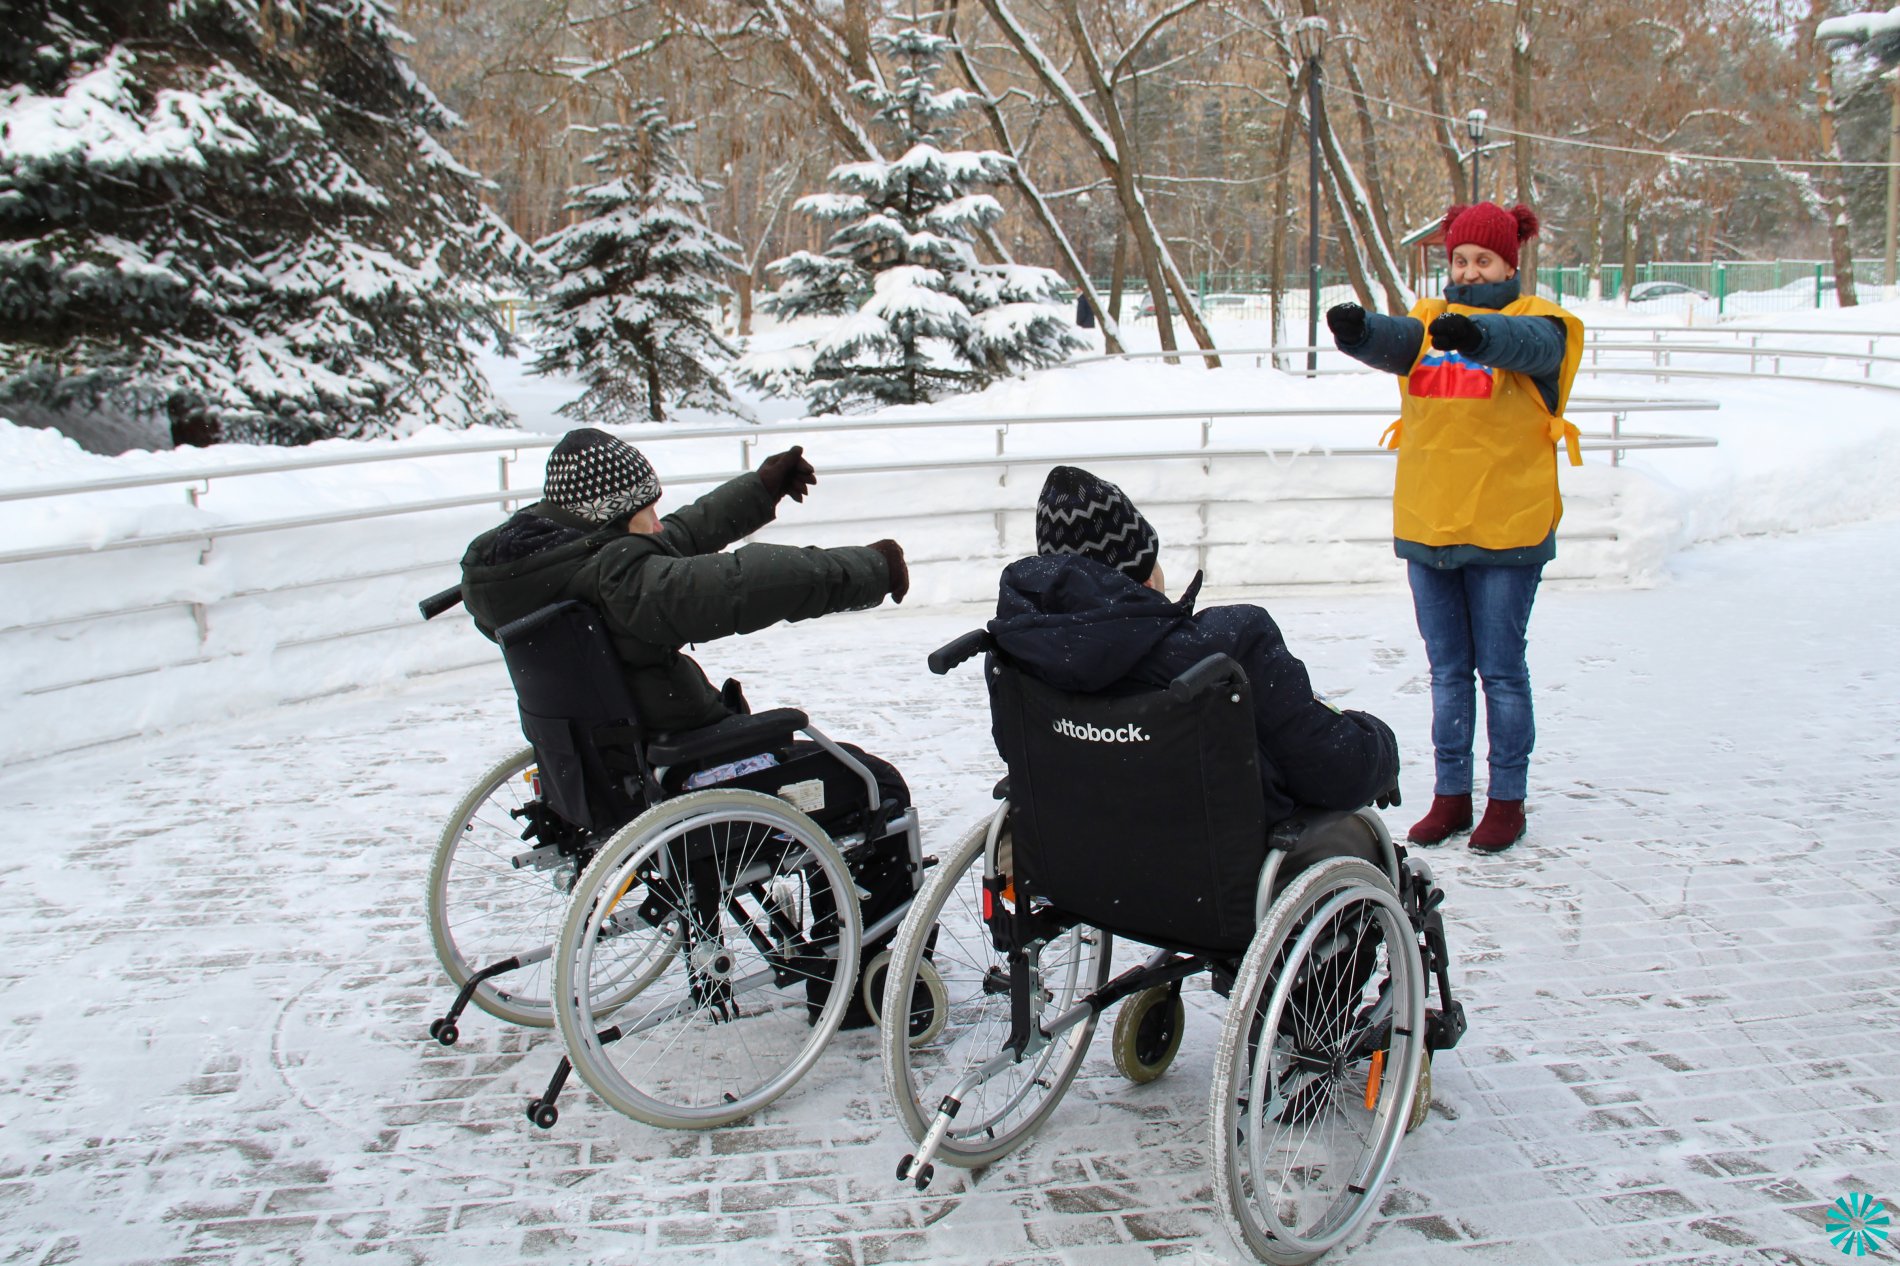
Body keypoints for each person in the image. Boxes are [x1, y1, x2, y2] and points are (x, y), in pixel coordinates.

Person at [461, 428, 912, 1026]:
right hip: (688, 769)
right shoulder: (618, 582)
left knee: (841, 772)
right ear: (611, 520)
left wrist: (759, 490)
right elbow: (742, 584)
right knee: (872, 784)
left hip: (599, 771)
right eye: (645, 510)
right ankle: (867, 996)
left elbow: (670, 543)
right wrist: (870, 569)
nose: (655, 522)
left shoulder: (533, 572)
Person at [1325, 202, 1584, 853]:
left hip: (1506, 530)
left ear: (1510, 264)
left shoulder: (1543, 325)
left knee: (1500, 671)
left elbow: (1524, 348)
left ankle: (1507, 800)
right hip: (1431, 523)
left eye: (1483, 260)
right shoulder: (1428, 322)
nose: (1469, 270)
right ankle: (1451, 796)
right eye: (1461, 260)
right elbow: (1398, 341)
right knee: (1446, 672)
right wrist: (1358, 333)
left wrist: (1477, 336)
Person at [990, 465, 1399, 830]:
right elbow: (1334, 770)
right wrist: (1378, 742)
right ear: (1145, 577)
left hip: (1082, 866)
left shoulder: (1019, 654)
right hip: (1217, 880)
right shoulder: (1227, 643)